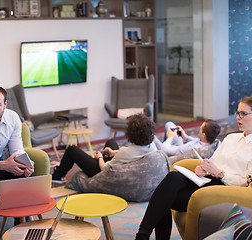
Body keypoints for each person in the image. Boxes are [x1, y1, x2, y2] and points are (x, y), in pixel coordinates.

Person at [135, 96, 252, 240]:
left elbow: (245, 182)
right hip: (208, 180)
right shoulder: (231, 138)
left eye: (243, 113)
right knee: (172, 179)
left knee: (163, 198)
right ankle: (143, 235)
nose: (238, 117)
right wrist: (204, 168)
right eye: (237, 113)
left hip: (226, 189)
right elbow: (213, 161)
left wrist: (220, 173)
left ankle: (142, 236)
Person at [52, 113, 158, 183]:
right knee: (111, 142)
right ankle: (105, 155)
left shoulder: (125, 153)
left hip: (104, 174)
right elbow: (133, 152)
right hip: (125, 167)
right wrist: (114, 152)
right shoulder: (152, 146)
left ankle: (58, 176)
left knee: (72, 149)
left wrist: (99, 158)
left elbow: (105, 169)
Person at [153, 119, 221, 156]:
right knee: (169, 124)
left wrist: (170, 137)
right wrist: (186, 137)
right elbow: (198, 142)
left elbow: (165, 150)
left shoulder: (191, 147)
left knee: (152, 137)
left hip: (170, 151)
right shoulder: (213, 142)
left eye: (201, 128)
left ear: (204, 135)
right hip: (179, 148)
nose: (199, 128)